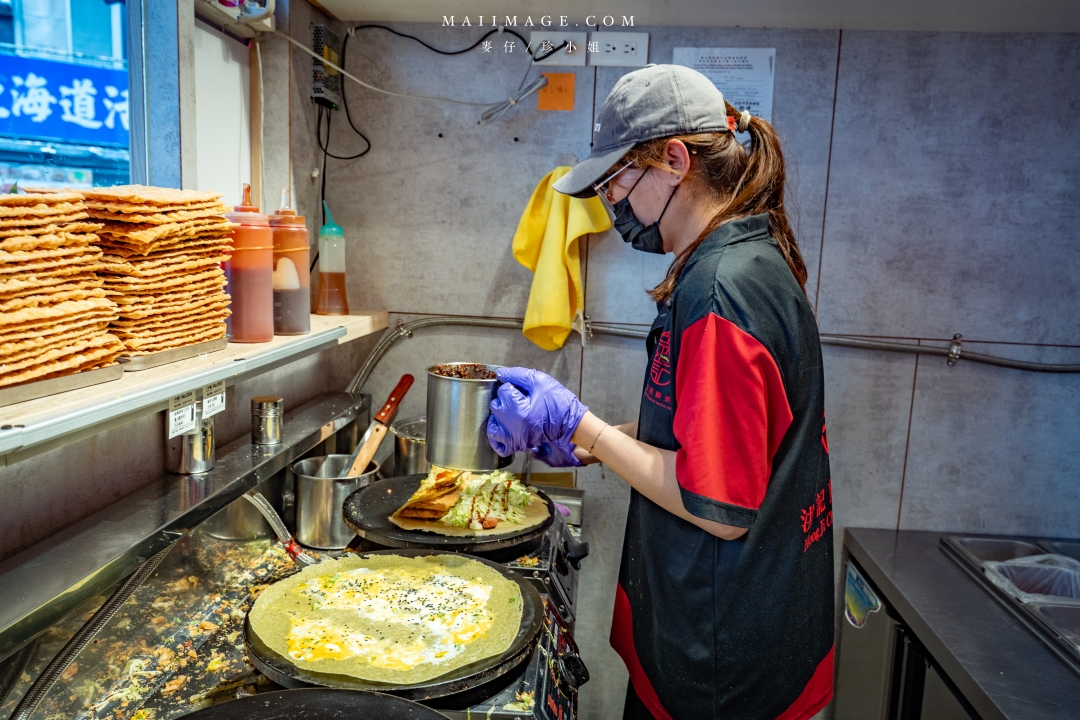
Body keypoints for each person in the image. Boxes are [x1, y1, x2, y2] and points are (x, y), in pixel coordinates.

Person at [486, 64, 835, 720]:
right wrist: (598, 439)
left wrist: (584, 427)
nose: (613, 201)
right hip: (755, 630)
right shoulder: (751, 257)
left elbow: (720, 507)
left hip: (720, 663)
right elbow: (723, 442)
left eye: (619, 179)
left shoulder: (719, 289)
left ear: (674, 159)